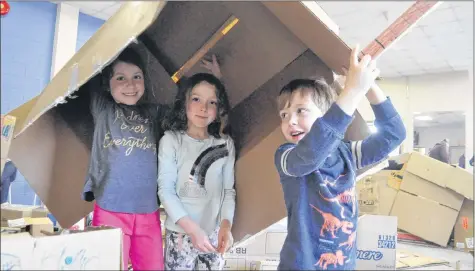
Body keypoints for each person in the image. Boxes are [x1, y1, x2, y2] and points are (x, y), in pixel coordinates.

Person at [273, 45, 406, 270]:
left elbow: (394, 135)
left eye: (300, 111)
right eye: (284, 115)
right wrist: (352, 92)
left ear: (326, 115)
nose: (290, 121)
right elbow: (310, 156)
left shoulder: (346, 154)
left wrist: (368, 85)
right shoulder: (287, 156)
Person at [81, 46, 167, 270]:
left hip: (148, 212)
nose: (130, 85)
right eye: (121, 78)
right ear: (107, 85)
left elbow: (187, 107)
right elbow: (91, 70)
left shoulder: (153, 113)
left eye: (137, 77)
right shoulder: (103, 109)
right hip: (111, 209)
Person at [158, 72, 236, 271]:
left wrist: (226, 226)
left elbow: (228, 191)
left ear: (219, 109)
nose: (203, 108)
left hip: (213, 234)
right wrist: (192, 229)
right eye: (196, 99)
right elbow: (166, 190)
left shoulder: (225, 143)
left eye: (212, 102)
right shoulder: (171, 140)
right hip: (180, 235)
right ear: (183, 102)